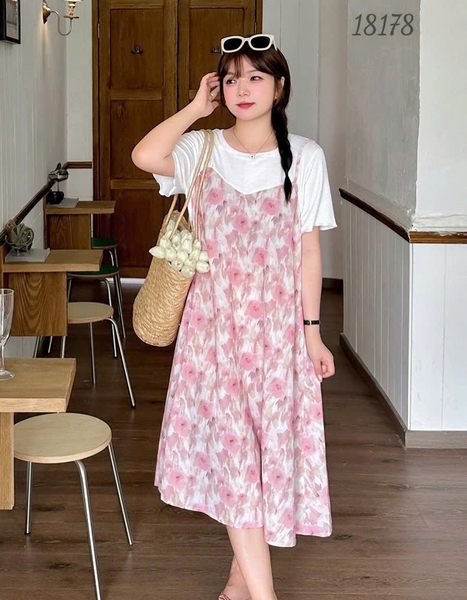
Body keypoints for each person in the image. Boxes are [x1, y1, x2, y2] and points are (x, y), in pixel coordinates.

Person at [132, 33, 336, 600]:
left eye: (256, 77)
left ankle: (237, 587)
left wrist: (313, 334)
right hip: (213, 334)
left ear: (279, 88)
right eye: (231, 78)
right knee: (238, 461)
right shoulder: (201, 149)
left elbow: (309, 252)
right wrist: (194, 110)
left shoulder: (307, 156)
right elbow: (145, 156)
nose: (242, 88)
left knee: (263, 461)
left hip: (277, 338)